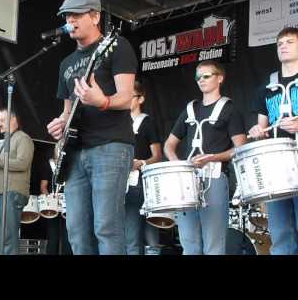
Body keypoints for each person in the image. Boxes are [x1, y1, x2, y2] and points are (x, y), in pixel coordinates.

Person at [46, 0, 137, 255]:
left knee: (106, 228)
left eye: (76, 14)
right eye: (67, 16)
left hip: (111, 146)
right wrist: (59, 124)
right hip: (75, 153)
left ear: (95, 16)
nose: (70, 20)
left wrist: (102, 101)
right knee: (76, 231)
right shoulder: (66, 64)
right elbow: (66, 111)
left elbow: (127, 97)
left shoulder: (116, 47)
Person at [163, 60, 246, 255]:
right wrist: (179, 167)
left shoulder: (229, 109)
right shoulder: (191, 108)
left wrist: (213, 157)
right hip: (187, 180)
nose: (201, 80)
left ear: (220, 79)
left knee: (214, 243)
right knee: (189, 241)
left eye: (206, 76)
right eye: (198, 77)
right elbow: (168, 145)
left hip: (214, 177)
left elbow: (240, 148)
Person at [248, 26, 298, 255]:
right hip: (277, 165)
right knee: (280, 230)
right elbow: (263, 125)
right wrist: (258, 131)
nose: (283, 46)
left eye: (289, 42)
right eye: (280, 44)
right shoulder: (267, 87)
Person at [0, 107, 34, 255]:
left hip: (11, 193)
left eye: (2, 120)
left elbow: (22, 163)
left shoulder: (23, 138)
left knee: (8, 238)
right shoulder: (5, 141)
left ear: (14, 119)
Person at [125, 80, 162, 255]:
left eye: (130, 96)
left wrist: (141, 163)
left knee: (148, 232)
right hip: (121, 184)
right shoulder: (119, 123)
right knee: (129, 234)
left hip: (140, 182)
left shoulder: (147, 122)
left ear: (140, 99)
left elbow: (157, 155)